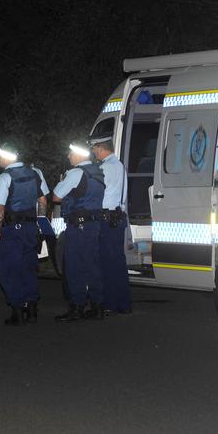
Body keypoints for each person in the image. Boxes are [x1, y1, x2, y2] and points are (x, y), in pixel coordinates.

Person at [0, 142, 48, 326]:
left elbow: (0, 207)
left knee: (10, 270)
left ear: (7, 157)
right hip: (31, 227)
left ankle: (17, 312)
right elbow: (43, 200)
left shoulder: (4, 177)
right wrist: (40, 221)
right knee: (29, 268)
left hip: (11, 229)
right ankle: (32, 310)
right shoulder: (36, 172)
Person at [53, 143, 105, 322]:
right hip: (94, 224)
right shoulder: (98, 171)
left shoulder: (76, 173)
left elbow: (56, 196)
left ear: (78, 155)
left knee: (74, 267)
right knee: (93, 265)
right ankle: (97, 306)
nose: (68, 156)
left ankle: (77, 307)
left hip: (78, 226)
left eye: (70, 153)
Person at [88, 132, 132, 315]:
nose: (94, 153)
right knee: (118, 262)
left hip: (105, 219)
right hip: (118, 217)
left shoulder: (104, 168)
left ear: (100, 147)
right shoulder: (120, 166)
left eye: (94, 149)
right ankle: (124, 303)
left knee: (105, 262)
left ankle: (109, 303)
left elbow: (95, 193)